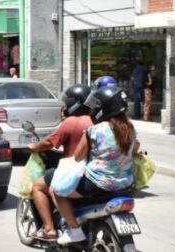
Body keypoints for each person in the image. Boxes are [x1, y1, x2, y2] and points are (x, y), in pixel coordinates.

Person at [52, 86, 136, 244]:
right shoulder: (131, 129)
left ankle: (75, 231)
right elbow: (134, 149)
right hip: (125, 183)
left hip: (97, 183)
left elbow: (77, 157)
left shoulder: (94, 131)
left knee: (57, 191)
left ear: (103, 108)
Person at [27, 84, 94, 241]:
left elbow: (49, 142)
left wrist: (34, 146)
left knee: (38, 186)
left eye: (67, 102)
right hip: (95, 172)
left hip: (75, 171)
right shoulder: (97, 120)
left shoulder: (72, 122)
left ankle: (49, 229)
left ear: (75, 103)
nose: (65, 106)